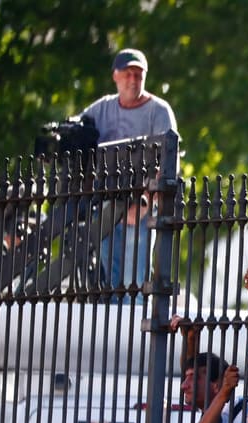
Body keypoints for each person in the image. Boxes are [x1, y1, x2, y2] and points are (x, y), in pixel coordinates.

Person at [80, 48, 178, 289]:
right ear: (115, 75)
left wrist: (146, 202)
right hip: (106, 208)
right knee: (110, 284)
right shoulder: (101, 109)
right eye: (128, 73)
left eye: (138, 74)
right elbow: (78, 136)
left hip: (140, 210)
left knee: (133, 284)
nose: (133, 79)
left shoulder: (159, 110)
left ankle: (135, 327)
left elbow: (169, 162)